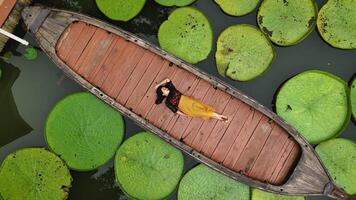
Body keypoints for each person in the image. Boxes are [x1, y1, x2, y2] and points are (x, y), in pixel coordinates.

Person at [155, 78, 228, 121]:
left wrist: (158, 85)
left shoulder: (172, 89)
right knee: (202, 113)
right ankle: (221, 116)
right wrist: (184, 115)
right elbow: (175, 110)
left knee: (204, 108)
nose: (166, 88)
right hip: (186, 108)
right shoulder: (167, 102)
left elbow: (167, 79)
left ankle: (220, 118)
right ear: (163, 94)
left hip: (189, 101)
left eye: (165, 87)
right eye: (164, 89)